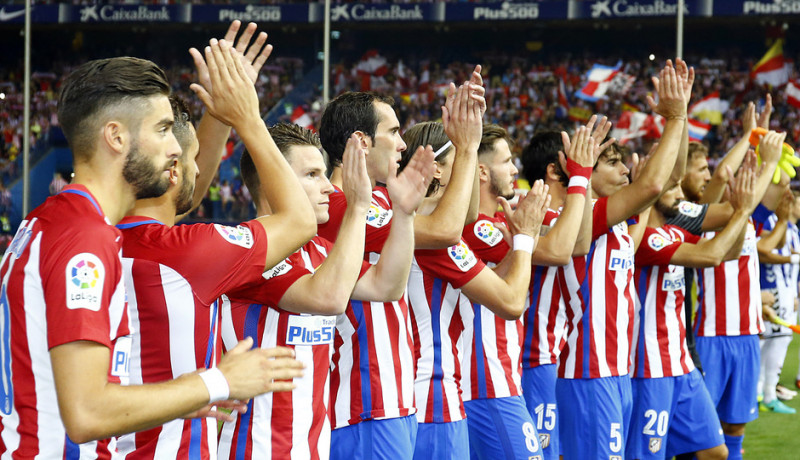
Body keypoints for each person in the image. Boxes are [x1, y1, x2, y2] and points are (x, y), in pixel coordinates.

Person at [0, 53, 300, 457]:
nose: (175, 147)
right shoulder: (84, 241)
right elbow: (87, 412)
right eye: (162, 130)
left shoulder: (47, 221)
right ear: (117, 137)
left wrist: (183, 398)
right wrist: (218, 381)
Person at [114, 36, 316, 459]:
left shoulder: (98, 234)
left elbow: (185, 189)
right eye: (190, 162)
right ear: (172, 172)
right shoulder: (188, 251)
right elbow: (299, 221)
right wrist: (246, 118)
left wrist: (219, 112)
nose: (200, 170)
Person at [217, 124, 433, 459]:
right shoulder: (248, 251)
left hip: (313, 447)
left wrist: (403, 216)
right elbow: (328, 298)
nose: (327, 188)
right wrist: (358, 208)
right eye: (312, 174)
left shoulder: (317, 250)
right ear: (273, 179)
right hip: (258, 449)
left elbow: (386, 286)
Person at [317, 69, 485, 459]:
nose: (401, 145)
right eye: (393, 133)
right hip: (366, 399)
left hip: (391, 399)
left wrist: (465, 147)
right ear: (361, 141)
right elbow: (446, 230)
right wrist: (468, 148)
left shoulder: (376, 202)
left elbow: (465, 215)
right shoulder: (342, 206)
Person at [555, 59, 690, 460]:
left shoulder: (617, 228)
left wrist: (676, 124)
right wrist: (676, 118)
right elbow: (652, 183)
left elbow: (668, 178)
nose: (624, 170)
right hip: (589, 371)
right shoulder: (585, 216)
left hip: (616, 370)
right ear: (583, 170)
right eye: (612, 162)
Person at [400, 120, 549, 459]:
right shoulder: (437, 238)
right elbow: (511, 301)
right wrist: (525, 237)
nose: (471, 172)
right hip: (433, 399)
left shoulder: (420, 226)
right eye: (463, 160)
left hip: (428, 398)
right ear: (437, 170)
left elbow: (493, 279)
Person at [627, 161, 763, 459]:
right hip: (650, 368)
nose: (679, 194)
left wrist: (741, 213)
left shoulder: (675, 233)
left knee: (715, 452)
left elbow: (728, 251)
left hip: (681, 364)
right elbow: (712, 256)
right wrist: (740, 212)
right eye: (672, 187)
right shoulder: (642, 240)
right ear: (650, 191)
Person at [515, 117, 611, 460]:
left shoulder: (559, 215)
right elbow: (560, 251)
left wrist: (582, 178)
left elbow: (580, 244)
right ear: (556, 171)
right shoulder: (528, 210)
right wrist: (582, 177)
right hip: (529, 357)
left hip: (548, 357)